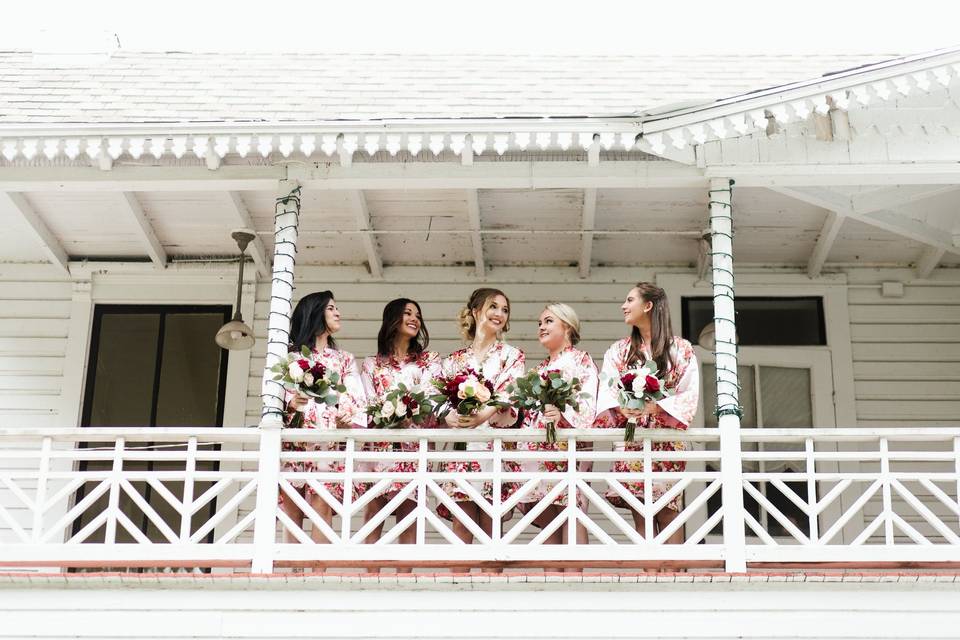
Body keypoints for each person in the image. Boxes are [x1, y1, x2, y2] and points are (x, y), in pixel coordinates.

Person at [594, 282, 699, 547]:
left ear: (648, 305)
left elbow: (690, 393)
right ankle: (649, 572)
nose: (624, 306)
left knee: (668, 512)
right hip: (632, 439)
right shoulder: (620, 350)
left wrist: (657, 407)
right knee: (640, 512)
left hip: (666, 440)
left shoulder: (682, 349)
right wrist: (621, 407)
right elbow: (606, 388)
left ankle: (672, 579)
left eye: (630, 300)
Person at [438, 288, 525, 551]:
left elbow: (511, 389)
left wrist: (485, 413)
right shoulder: (454, 360)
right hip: (462, 450)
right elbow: (439, 399)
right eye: (493, 307)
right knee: (462, 527)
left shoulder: (512, 355)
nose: (499, 313)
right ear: (476, 312)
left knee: (491, 529)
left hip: (493, 448)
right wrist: (449, 417)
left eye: (505, 309)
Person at [358, 299, 441, 568]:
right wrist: (388, 412)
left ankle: (404, 577)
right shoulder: (372, 364)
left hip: (414, 448)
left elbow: (431, 400)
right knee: (375, 511)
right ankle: (367, 577)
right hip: (381, 446)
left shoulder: (430, 361)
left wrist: (408, 409)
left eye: (418, 314)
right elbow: (369, 406)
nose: (415, 318)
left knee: (409, 513)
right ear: (392, 318)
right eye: (408, 313)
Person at [279, 290, 366, 545]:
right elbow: (274, 399)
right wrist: (291, 403)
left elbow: (355, 399)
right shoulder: (290, 357)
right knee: (290, 514)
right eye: (331, 308)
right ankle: (289, 574)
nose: (338, 312)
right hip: (293, 445)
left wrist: (346, 417)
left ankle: (318, 576)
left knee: (322, 511)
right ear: (315, 313)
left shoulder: (344, 359)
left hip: (327, 446)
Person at [516, 303, 598, 554]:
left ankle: (575, 582)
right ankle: (552, 581)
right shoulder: (536, 371)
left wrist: (562, 415)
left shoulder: (581, 360)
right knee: (548, 516)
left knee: (572, 510)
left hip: (569, 448)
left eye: (548, 321)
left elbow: (588, 404)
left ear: (568, 326)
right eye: (540, 323)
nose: (541, 327)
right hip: (540, 452)